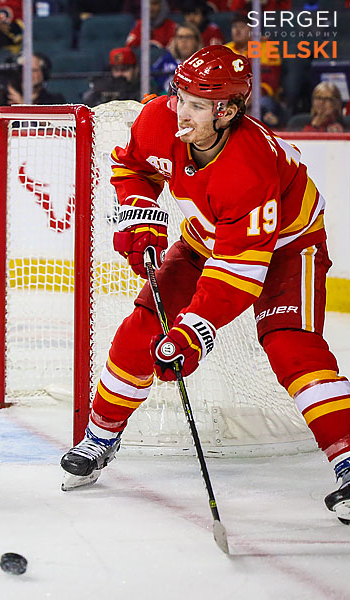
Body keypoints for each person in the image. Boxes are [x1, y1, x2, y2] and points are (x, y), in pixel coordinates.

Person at [58, 45, 350, 524]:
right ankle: (99, 436)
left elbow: (238, 275)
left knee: (291, 346)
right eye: (181, 96)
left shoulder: (248, 167)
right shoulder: (158, 118)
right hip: (206, 238)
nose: (181, 111)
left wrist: (193, 332)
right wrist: (141, 219)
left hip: (288, 248)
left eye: (196, 104)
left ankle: (348, 460)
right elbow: (134, 167)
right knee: (142, 326)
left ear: (228, 111)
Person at [0, 53, 63, 130]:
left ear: (44, 73)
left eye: (33, 70)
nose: (28, 75)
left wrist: (23, 106)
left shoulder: (54, 100)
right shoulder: (9, 100)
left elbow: (59, 130)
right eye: (24, 70)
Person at [151, 24, 202, 93]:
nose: (184, 41)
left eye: (188, 37)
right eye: (180, 37)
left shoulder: (203, 62)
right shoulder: (166, 59)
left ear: (197, 41)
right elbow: (151, 78)